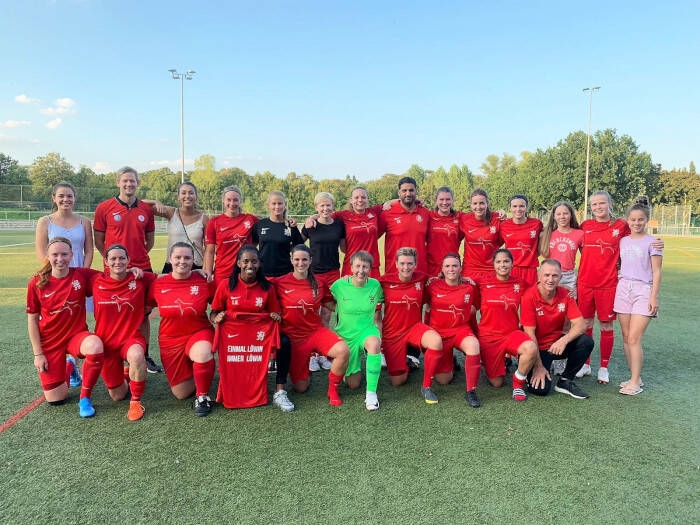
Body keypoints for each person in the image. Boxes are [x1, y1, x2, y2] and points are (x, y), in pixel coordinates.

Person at [93, 166, 161, 374]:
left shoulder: (146, 209)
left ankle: (144, 355)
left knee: (143, 314)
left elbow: (149, 240)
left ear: (138, 183)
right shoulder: (104, 208)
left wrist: (135, 261)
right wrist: (115, 262)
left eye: (132, 181)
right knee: (116, 311)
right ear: (118, 183)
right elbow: (99, 241)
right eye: (125, 181)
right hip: (114, 270)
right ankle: (115, 355)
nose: (129, 184)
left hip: (142, 268)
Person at [26, 237, 104, 418]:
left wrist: (132, 271)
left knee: (95, 345)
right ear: (48, 256)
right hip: (50, 342)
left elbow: (113, 276)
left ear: (71, 255)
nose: (59, 259)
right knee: (56, 399)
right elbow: (32, 320)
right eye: (55, 255)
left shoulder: (82, 275)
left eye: (64, 254)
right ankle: (70, 367)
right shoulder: (37, 282)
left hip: (76, 337)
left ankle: (84, 398)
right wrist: (38, 354)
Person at [210, 245, 287, 410]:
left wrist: (275, 317)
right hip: (233, 340)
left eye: (254, 261)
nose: (250, 265)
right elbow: (213, 312)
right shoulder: (225, 285)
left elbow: (276, 314)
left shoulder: (267, 288)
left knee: (283, 344)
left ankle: (271, 390)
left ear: (259, 263)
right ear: (238, 263)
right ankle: (232, 393)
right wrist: (217, 318)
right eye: (245, 261)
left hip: (256, 340)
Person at [274, 245, 350, 407]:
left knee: (343, 350)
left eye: (304, 260)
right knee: (301, 387)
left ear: (310, 261)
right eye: (296, 259)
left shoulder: (319, 283)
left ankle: (333, 390)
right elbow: (260, 288)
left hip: (315, 332)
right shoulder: (279, 283)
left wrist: (349, 287)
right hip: (294, 338)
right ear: (291, 260)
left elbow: (331, 304)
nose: (300, 263)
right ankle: (305, 366)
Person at [35, 181, 94, 386]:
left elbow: (89, 251)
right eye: (61, 196)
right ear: (54, 198)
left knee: (78, 319)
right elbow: (42, 253)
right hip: (56, 276)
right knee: (59, 318)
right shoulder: (45, 221)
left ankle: (74, 362)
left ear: (74, 198)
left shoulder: (84, 221)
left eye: (69, 196)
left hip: (78, 277)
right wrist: (58, 275)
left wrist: (81, 275)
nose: (65, 199)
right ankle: (67, 364)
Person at [147, 242, 217, 416]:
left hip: (199, 331)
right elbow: (144, 308)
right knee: (181, 393)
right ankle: (201, 371)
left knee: (202, 353)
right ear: (170, 259)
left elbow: (218, 305)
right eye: (177, 257)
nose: (182, 261)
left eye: (187, 258)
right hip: (170, 340)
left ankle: (202, 397)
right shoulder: (158, 284)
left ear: (193, 260)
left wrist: (216, 315)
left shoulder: (204, 280)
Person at [92, 244, 155, 420]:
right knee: (117, 396)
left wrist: (197, 272)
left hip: (131, 339)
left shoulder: (140, 278)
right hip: (106, 343)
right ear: (106, 261)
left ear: (128, 260)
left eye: (122, 258)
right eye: (113, 258)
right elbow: (69, 274)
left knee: (137, 355)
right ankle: (128, 374)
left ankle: (135, 401)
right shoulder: (96, 280)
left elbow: (171, 278)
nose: (117, 262)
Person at [575, 190, 631, 384]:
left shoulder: (620, 225)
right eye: (594, 204)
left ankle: (604, 368)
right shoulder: (585, 225)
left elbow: (634, 240)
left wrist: (655, 243)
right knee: (586, 324)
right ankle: (586, 364)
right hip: (585, 283)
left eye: (602, 203)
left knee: (606, 325)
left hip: (608, 284)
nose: (598, 207)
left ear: (610, 204)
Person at [520, 259, 594, 399]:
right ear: (539, 275)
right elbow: (529, 334)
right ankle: (530, 368)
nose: (550, 279)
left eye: (555, 276)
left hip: (555, 345)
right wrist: (538, 366)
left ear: (560, 277)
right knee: (540, 390)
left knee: (586, 341)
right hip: (535, 349)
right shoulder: (529, 296)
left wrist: (563, 340)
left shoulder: (565, 294)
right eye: (547, 275)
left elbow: (581, 324)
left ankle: (565, 380)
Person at [379, 247, 444, 404]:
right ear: (396, 264)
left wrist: (464, 279)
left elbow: (443, 281)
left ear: (415, 264)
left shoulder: (422, 278)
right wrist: (348, 279)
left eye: (410, 263)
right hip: (392, 333)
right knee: (398, 381)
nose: (406, 267)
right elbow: (363, 285)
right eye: (402, 263)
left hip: (414, 328)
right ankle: (407, 362)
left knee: (435, 341)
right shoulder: (384, 281)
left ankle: (426, 387)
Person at [614, 197, 663, 396]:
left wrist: (654, 297)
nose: (636, 223)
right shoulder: (623, 241)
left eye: (641, 219)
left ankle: (635, 383)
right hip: (623, 288)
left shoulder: (653, 242)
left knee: (634, 338)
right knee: (626, 337)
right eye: (633, 219)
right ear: (627, 220)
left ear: (647, 220)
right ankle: (635, 377)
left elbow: (657, 271)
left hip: (643, 290)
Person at [475, 249, 538, 401]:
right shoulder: (482, 282)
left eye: (506, 261)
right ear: (493, 264)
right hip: (488, 337)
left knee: (531, 348)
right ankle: (495, 360)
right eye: (498, 262)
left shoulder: (520, 283)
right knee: (497, 383)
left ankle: (518, 384)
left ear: (512, 263)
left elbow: (539, 290)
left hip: (511, 334)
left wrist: (566, 290)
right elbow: (461, 282)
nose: (502, 265)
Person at [424, 254, 482, 407]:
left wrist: (475, 333)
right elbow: (427, 307)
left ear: (460, 268)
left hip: (460, 330)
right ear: (442, 269)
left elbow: (474, 308)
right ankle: (452, 362)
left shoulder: (470, 287)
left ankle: (471, 391)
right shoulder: (432, 285)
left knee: (473, 345)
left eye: (455, 266)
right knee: (444, 380)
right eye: (447, 266)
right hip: (439, 334)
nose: (451, 269)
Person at [330, 250, 384, 410]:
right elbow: (325, 299)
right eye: (358, 266)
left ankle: (371, 394)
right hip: (346, 337)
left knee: (374, 344)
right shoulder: (339, 285)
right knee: (353, 384)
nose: (361, 270)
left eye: (365, 267)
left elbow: (387, 297)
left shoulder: (375, 285)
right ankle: (351, 364)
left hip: (366, 330)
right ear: (351, 267)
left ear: (370, 269)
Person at [302, 191, 345, 339]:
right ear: (316, 207)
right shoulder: (310, 225)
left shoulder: (339, 225)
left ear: (333, 206)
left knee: (327, 314)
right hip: (314, 274)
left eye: (328, 205)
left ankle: (324, 346)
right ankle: (312, 346)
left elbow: (344, 248)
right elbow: (297, 244)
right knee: (312, 312)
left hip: (333, 273)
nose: (325, 208)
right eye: (322, 205)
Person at [143, 181, 209, 273]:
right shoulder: (171, 213)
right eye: (183, 193)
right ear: (178, 197)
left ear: (196, 196)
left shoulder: (204, 219)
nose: (187, 196)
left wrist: (206, 269)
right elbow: (140, 204)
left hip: (196, 266)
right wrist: (156, 202)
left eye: (191, 193)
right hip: (172, 266)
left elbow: (208, 248)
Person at [204, 185, 257, 287]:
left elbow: (264, 232)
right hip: (222, 272)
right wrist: (208, 272)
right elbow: (209, 251)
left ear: (240, 201)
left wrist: (250, 247)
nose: (232, 203)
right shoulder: (214, 222)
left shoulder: (250, 219)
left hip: (244, 272)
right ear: (223, 201)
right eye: (229, 200)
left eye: (235, 200)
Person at [378, 177, 431, 275]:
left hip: (419, 272)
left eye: (411, 190)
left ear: (416, 191)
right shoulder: (387, 213)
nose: (408, 193)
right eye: (404, 190)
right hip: (394, 272)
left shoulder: (425, 213)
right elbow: (372, 237)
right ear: (399, 192)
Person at [252, 190, 304, 278]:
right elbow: (253, 246)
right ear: (268, 205)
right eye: (274, 203)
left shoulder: (290, 225)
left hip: (285, 274)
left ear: (285, 204)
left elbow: (299, 247)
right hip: (264, 274)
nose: (277, 206)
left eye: (280, 203)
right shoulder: (260, 224)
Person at [334, 186, 383, 278]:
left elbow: (391, 203)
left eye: (363, 197)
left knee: (373, 288)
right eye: (356, 197)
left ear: (367, 199)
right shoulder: (343, 215)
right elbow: (324, 216)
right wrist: (312, 218)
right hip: (352, 265)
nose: (360, 200)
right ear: (351, 200)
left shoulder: (374, 211)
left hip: (371, 265)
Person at [538, 201, 583, 295]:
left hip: (568, 277)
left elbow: (586, 258)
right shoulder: (545, 234)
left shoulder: (579, 234)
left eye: (565, 213)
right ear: (554, 216)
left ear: (571, 215)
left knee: (568, 303)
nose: (562, 217)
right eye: (558, 214)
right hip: (549, 276)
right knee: (549, 303)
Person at [500, 194, 543, 288]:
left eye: (521, 206)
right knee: (513, 296)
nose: (518, 209)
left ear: (527, 208)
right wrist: (499, 212)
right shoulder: (503, 225)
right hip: (511, 269)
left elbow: (547, 235)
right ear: (510, 208)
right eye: (515, 206)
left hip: (530, 269)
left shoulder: (536, 224)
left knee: (530, 296)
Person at [459, 189, 503, 279]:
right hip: (470, 270)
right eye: (475, 203)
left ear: (487, 203)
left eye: (482, 203)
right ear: (471, 205)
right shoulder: (464, 219)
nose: (478, 207)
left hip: (492, 270)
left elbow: (503, 241)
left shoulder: (498, 218)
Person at [426, 187, 464, 277]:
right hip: (431, 268)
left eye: (448, 199)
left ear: (452, 200)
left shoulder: (460, 217)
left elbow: (478, 215)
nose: (444, 202)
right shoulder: (428, 216)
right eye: (441, 199)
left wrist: (497, 215)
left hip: (452, 268)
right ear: (436, 200)